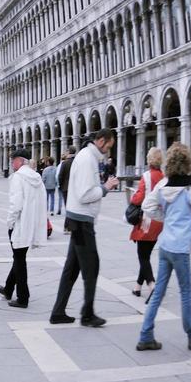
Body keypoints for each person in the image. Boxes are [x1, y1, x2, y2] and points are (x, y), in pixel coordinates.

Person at [136, 143, 191, 352]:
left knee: (159, 291)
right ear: (188, 162)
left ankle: (145, 334)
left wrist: (165, 217)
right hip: (180, 247)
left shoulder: (163, 184)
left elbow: (147, 206)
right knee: (186, 291)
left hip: (165, 245)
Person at [49, 131, 120, 327]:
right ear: (100, 141)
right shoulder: (88, 159)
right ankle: (87, 314)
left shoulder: (86, 157)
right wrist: (106, 187)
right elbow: (84, 194)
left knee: (72, 269)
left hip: (77, 218)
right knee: (91, 267)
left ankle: (58, 312)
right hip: (81, 221)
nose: (108, 150)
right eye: (108, 146)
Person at [2, 147, 45, 309]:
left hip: (20, 224)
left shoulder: (18, 177)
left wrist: (10, 222)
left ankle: (23, 297)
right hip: (31, 224)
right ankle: (8, 288)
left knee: (19, 260)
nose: (12, 163)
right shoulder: (36, 178)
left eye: (13, 160)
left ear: (20, 160)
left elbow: (16, 204)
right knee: (18, 257)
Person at [128, 147, 165, 299]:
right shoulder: (164, 177)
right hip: (159, 221)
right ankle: (137, 287)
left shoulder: (146, 176)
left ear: (149, 160)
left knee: (142, 256)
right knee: (146, 255)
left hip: (147, 220)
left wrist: (132, 197)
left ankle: (152, 285)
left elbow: (138, 198)